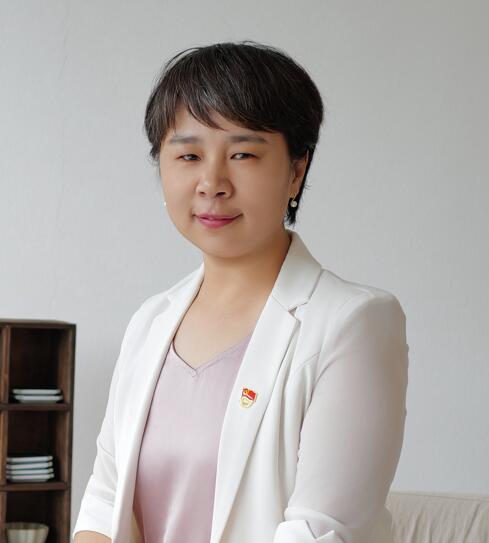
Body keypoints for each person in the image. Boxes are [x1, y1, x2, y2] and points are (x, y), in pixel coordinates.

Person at [72, 40, 409, 543]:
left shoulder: (354, 322)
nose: (212, 182)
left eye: (243, 154)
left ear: (296, 169)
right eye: (188, 155)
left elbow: (321, 532)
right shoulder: (150, 321)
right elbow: (105, 501)